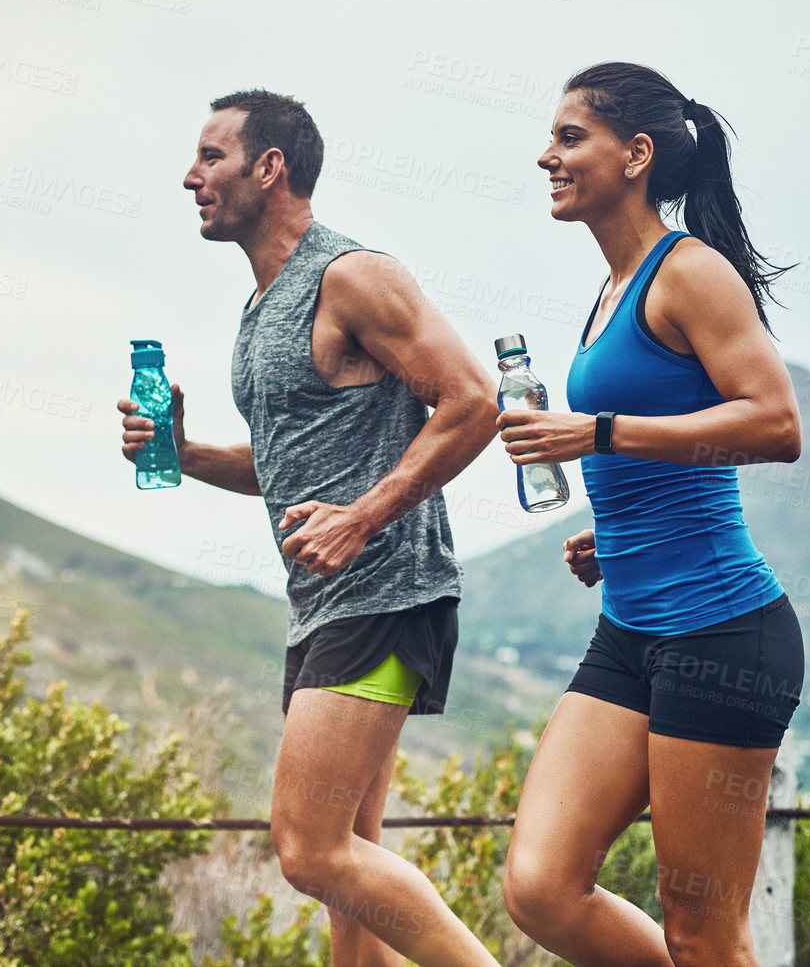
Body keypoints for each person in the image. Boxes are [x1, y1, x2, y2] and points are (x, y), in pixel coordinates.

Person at [118, 89, 501, 966]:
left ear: (270, 167)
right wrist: (184, 451)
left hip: (383, 590)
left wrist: (364, 518)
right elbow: (285, 465)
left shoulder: (353, 275)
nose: (191, 177)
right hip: (325, 603)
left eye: (210, 157)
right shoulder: (262, 308)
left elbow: (472, 402)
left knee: (308, 846)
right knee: (349, 878)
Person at [494, 62, 804, 967]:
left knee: (704, 931)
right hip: (630, 626)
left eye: (568, 137)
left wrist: (595, 429)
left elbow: (775, 423)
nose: (545, 155)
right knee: (542, 887)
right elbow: (672, 439)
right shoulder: (611, 289)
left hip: (721, 634)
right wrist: (621, 532)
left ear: (635, 154)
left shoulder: (689, 271)